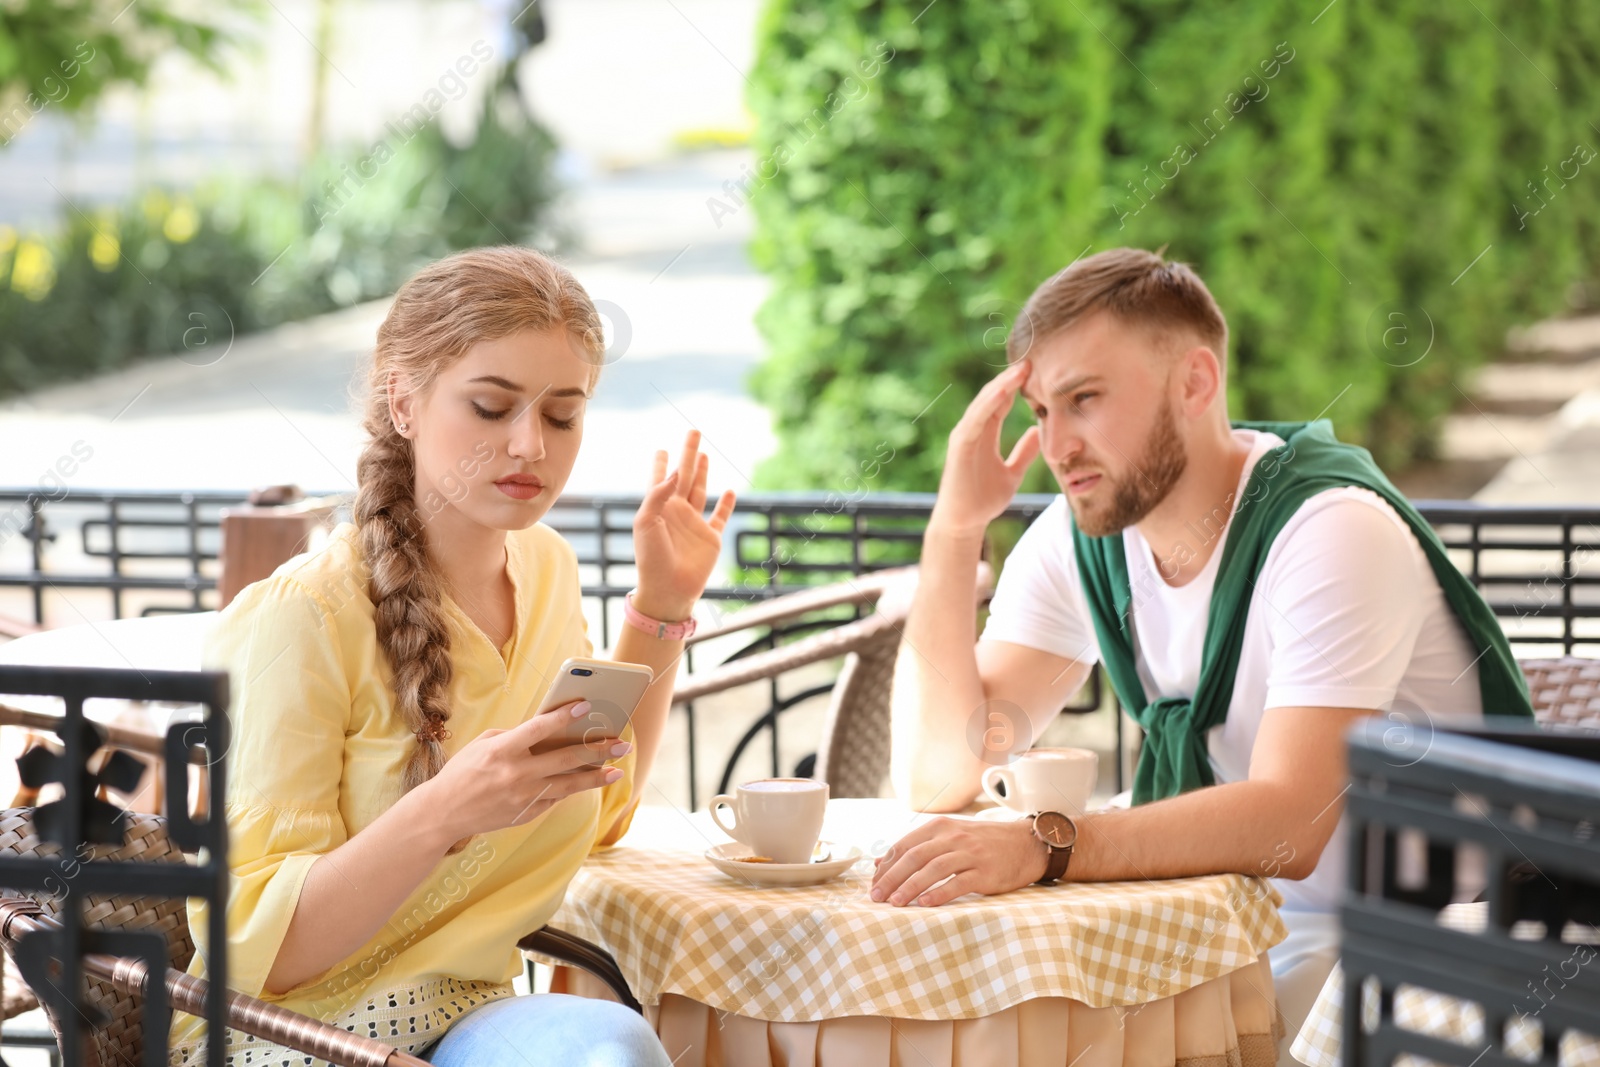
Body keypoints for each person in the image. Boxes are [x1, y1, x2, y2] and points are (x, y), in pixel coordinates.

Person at [870, 247, 1532, 1053]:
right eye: (1041, 412)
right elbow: (941, 773)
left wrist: (1044, 842)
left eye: (1084, 399)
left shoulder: (1329, 529)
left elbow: (1291, 819)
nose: (1057, 444)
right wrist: (954, 525)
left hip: (1423, 951)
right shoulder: (1082, 540)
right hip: (1241, 928)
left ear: (1194, 382)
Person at [169, 247, 735, 1067]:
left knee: (612, 1051)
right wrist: (446, 811)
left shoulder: (547, 569)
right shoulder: (302, 619)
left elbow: (599, 806)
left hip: (468, 1017)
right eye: (491, 406)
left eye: (562, 414)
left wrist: (662, 604)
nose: (529, 445)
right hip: (287, 1037)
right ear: (403, 400)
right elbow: (263, 954)